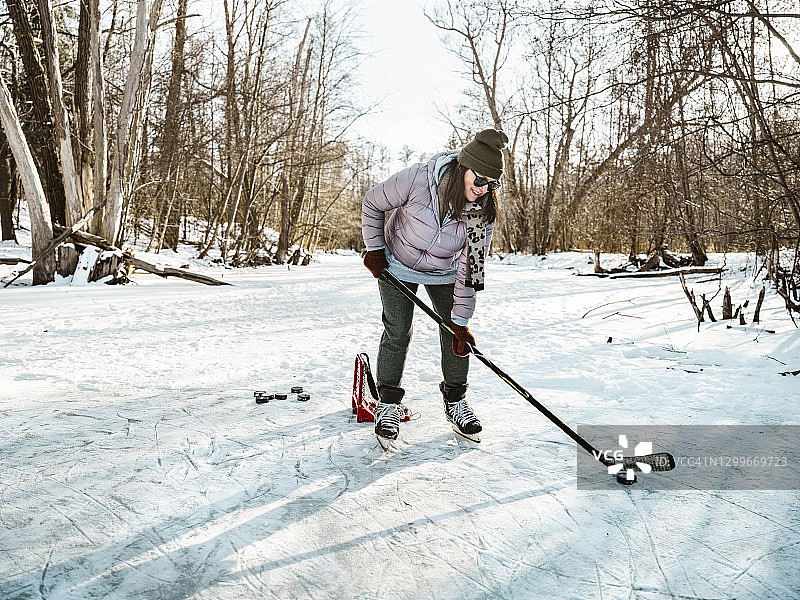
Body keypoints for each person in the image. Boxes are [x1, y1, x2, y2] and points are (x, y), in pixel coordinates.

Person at [361, 128, 507, 448]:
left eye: (492, 184)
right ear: (463, 168)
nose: (483, 189)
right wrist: (375, 250)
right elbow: (372, 202)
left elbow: (471, 271)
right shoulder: (418, 179)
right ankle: (388, 404)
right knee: (398, 328)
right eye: (479, 179)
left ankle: (456, 400)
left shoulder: (482, 213)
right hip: (398, 262)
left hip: (445, 271)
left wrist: (461, 321)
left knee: (454, 333)